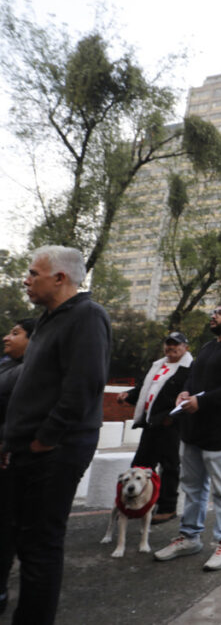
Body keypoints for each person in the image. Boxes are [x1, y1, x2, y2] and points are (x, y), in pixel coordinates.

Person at [2, 246, 111, 625]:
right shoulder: (48, 320)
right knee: (20, 536)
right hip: (27, 449)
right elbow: (31, 387)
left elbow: (83, 387)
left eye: (33, 273)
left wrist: (44, 439)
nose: (26, 280)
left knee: (40, 546)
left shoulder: (87, 316)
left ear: (60, 278)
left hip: (55, 450)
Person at [154, 301, 221, 572]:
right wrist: (185, 394)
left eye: (220, 313)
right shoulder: (210, 348)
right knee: (192, 488)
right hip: (194, 431)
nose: (213, 316)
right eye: (214, 312)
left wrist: (204, 402)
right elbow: (193, 379)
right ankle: (189, 537)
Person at [117, 331, 193, 525]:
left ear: (186, 347)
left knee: (169, 466)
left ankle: (167, 508)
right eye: (168, 344)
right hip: (151, 422)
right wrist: (129, 395)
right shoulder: (158, 365)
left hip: (170, 424)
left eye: (176, 344)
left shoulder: (190, 369)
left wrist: (172, 417)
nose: (171, 347)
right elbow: (145, 389)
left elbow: (190, 396)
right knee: (141, 464)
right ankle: (137, 502)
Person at [0, 318, 35, 615]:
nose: (6, 338)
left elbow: (16, 416)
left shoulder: (28, 372)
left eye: (15, 333)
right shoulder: (6, 365)